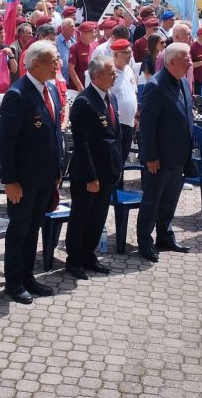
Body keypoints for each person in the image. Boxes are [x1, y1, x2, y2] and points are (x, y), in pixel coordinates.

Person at [0, 41, 63, 304]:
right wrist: (10, 180)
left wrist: (57, 169)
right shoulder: (18, 94)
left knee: (34, 228)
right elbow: (6, 141)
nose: (58, 64)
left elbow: (54, 133)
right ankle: (13, 282)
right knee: (19, 230)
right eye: (53, 60)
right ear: (36, 64)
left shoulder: (52, 90)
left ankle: (28, 276)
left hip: (46, 177)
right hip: (23, 180)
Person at [66, 55, 123, 280]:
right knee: (81, 217)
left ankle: (89, 256)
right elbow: (83, 144)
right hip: (89, 174)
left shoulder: (110, 98)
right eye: (111, 72)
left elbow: (115, 136)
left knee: (98, 217)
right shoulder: (84, 101)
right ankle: (75, 260)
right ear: (97, 76)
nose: (115, 75)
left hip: (107, 171)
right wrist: (91, 176)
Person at [137, 43, 194, 262]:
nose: (190, 62)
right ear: (170, 62)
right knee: (152, 201)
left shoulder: (183, 83)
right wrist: (150, 156)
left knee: (169, 200)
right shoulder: (156, 86)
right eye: (185, 59)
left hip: (178, 155)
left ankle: (165, 235)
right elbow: (148, 125)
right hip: (158, 158)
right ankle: (145, 241)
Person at [110, 39, 139, 161]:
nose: (130, 55)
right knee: (114, 160)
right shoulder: (110, 71)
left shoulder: (128, 70)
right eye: (126, 53)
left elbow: (134, 92)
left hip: (130, 122)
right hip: (116, 123)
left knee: (122, 159)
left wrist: (136, 115)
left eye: (130, 52)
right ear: (116, 54)